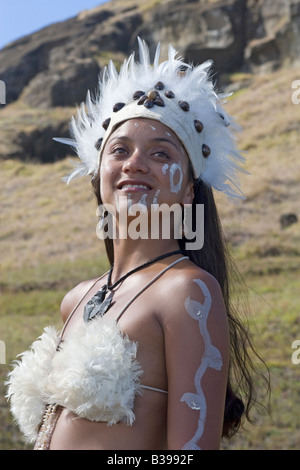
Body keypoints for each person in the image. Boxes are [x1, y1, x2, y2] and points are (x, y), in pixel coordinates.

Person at [6, 38, 269, 450]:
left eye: (161, 153)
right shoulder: (77, 298)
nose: (134, 162)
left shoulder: (186, 292)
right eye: (120, 150)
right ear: (100, 176)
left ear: (188, 192)